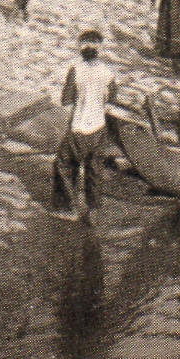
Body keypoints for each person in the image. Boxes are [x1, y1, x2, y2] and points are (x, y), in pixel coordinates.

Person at [51, 30, 118, 220]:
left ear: (81, 49)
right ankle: (93, 209)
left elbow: (65, 99)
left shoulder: (76, 70)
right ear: (99, 50)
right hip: (98, 126)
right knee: (94, 168)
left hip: (79, 126)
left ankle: (66, 207)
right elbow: (112, 97)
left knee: (64, 163)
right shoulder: (107, 72)